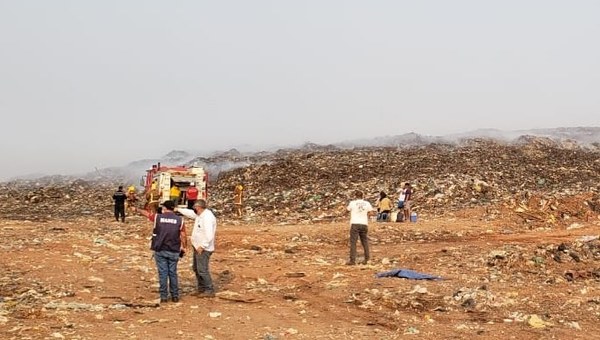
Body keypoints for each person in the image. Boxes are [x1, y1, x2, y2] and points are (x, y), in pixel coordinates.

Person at [135, 200, 187, 303]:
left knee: (163, 273)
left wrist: (137, 209)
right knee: (173, 273)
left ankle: (164, 297)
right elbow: (183, 235)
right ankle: (175, 296)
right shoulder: (180, 220)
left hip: (160, 249)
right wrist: (184, 247)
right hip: (174, 250)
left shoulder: (158, 217)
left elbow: (147, 214)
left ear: (164, 208)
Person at [177, 199, 217, 297]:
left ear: (198, 207)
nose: (193, 209)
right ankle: (201, 288)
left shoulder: (207, 217)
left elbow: (209, 234)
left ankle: (209, 289)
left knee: (202, 270)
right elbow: (190, 214)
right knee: (196, 268)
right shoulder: (200, 214)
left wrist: (202, 246)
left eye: (195, 207)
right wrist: (178, 209)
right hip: (197, 246)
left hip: (203, 248)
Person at [346, 190, 375, 265]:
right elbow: (371, 213)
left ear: (355, 196)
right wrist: (365, 214)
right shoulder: (367, 203)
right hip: (364, 224)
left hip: (355, 223)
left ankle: (352, 260)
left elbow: (347, 210)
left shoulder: (352, 203)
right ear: (363, 196)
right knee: (364, 242)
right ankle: (367, 259)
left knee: (353, 242)